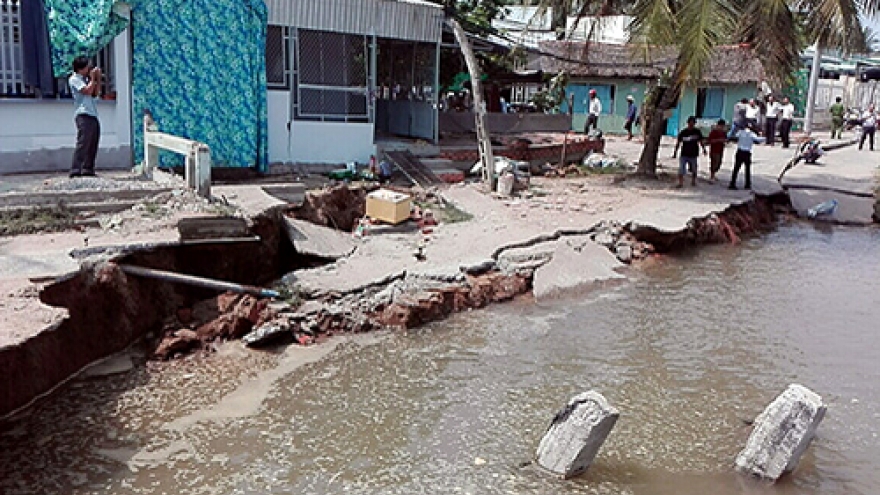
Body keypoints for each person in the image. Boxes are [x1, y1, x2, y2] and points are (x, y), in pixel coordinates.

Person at [68, 56, 102, 178]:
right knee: (83, 142)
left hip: (92, 113)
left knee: (93, 141)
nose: (89, 69)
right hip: (83, 114)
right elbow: (86, 91)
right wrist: (92, 78)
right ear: (80, 68)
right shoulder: (74, 79)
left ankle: (88, 168)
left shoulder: (86, 79)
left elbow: (95, 94)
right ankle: (76, 169)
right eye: (87, 66)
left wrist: (97, 79)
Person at [672, 116, 707, 188]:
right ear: (687, 123)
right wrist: (675, 152)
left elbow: (701, 141)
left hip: (693, 153)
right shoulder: (683, 132)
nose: (691, 124)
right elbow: (678, 143)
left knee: (694, 169)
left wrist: (704, 149)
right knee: (681, 169)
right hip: (684, 153)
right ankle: (680, 183)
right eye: (690, 123)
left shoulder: (697, 132)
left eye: (693, 123)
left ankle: (693, 181)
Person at [729, 125, 765, 190]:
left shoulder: (740, 132)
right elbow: (758, 140)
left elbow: (734, 137)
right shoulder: (752, 134)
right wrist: (765, 137)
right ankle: (747, 184)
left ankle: (732, 183)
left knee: (736, 168)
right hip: (747, 153)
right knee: (747, 169)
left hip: (739, 151)